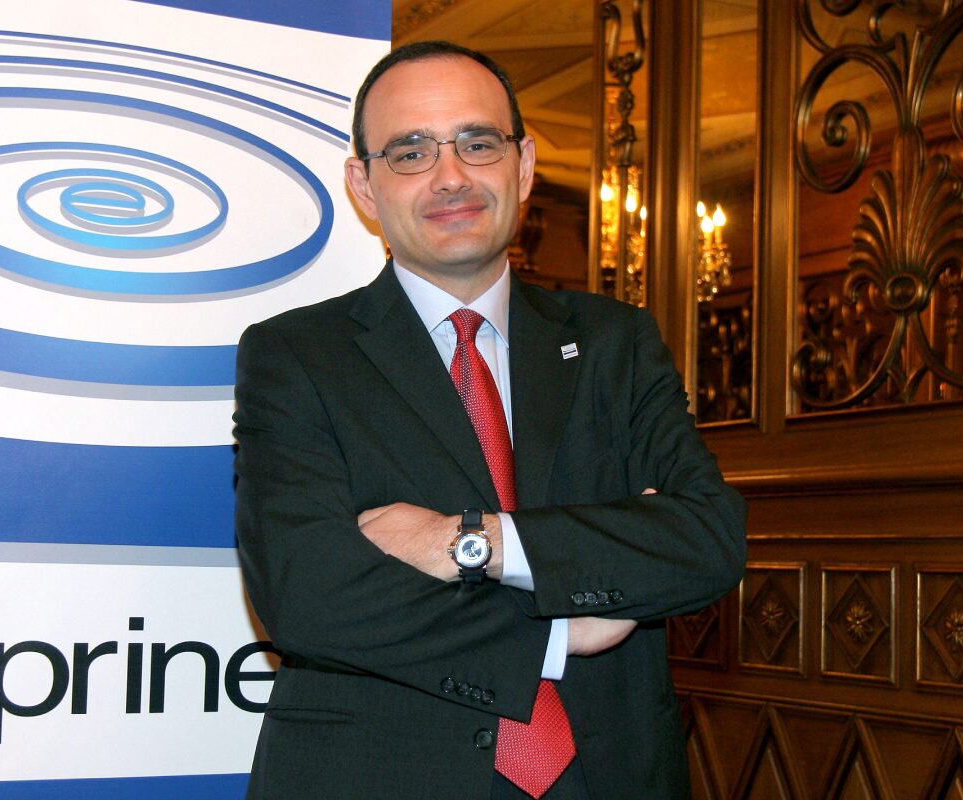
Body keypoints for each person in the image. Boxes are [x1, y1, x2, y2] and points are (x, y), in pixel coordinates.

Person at [233, 40, 746, 799]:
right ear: (364, 185)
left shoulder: (616, 342)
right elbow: (306, 594)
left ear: (523, 164)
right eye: (411, 152)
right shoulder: (295, 354)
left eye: (477, 143)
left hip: (611, 775)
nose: (451, 176)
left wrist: (469, 542)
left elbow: (705, 542)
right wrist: (558, 631)